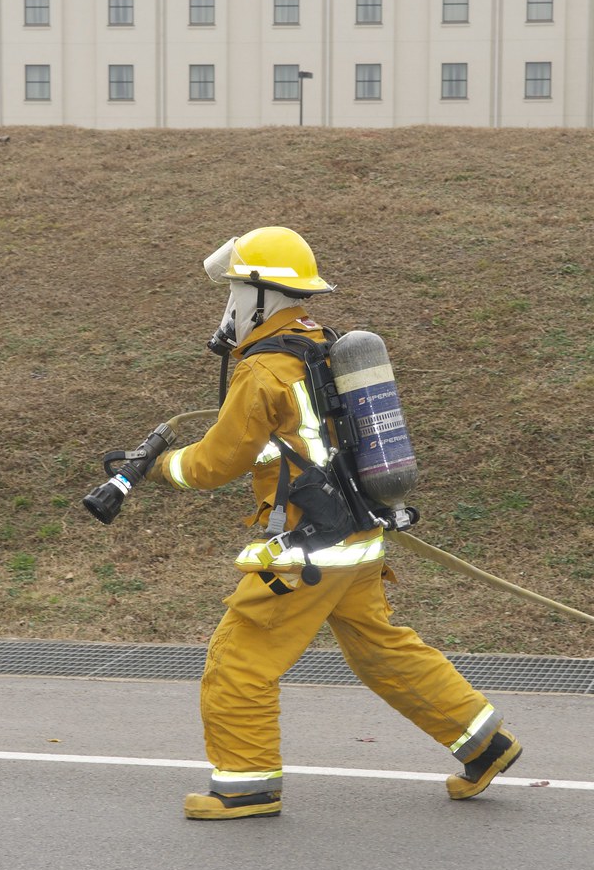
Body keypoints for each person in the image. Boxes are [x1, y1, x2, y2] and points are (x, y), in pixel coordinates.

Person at [147, 226, 522, 820]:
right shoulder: (323, 345)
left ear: (260, 298)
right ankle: (485, 743)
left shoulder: (265, 370)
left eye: (235, 294)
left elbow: (215, 463)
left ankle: (245, 787)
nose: (229, 308)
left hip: (309, 552)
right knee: (382, 651)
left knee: (238, 661)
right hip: (359, 538)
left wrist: (160, 467)